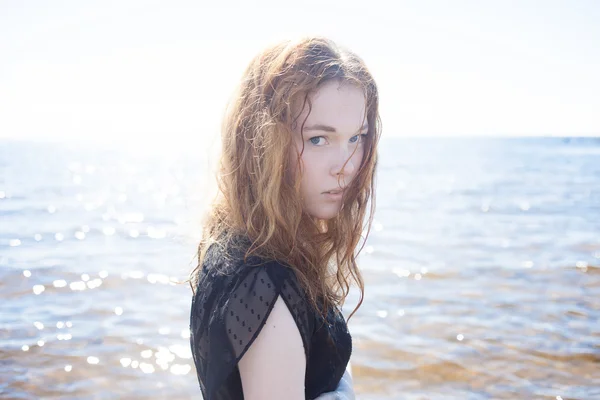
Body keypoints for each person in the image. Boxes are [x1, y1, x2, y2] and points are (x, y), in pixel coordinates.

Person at [188, 36, 381, 400]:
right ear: (262, 142)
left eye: (357, 137)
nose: (346, 166)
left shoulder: (243, 242)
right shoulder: (265, 286)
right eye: (318, 139)